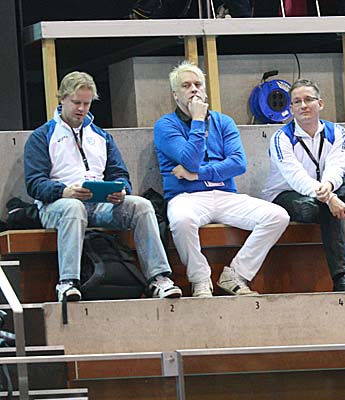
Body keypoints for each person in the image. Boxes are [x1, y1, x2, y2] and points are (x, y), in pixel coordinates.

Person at [24, 71, 182, 302]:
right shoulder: (42, 136)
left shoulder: (101, 136)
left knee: (141, 206)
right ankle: (68, 282)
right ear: (62, 99)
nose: (81, 109)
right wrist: (64, 191)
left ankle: (159, 279)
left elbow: (119, 173)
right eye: (76, 102)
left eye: (86, 103)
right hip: (58, 205)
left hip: (100, 203)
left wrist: (121, 191)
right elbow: (34, 183)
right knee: (73, 208)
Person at [154, 61, 289, 297]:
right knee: (181, 221)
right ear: (175, 95)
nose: (194, 89)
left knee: (277, 216)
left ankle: (236, 274)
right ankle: (200, 279)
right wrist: (197, 121)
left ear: (205, 90)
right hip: (187, 196)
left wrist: (198, 174)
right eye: (186, 86)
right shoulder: (165, 125)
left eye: (198, 85)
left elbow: (238, 164)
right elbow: (190, 159)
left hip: (225, 195)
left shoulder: (223, 121)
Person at [263, 79, 345, 292]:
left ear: (320, 103)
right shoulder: (281, 138)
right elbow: (296, 178)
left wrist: (329, 188)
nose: (303, 105)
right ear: (291, 108)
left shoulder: (336, 131)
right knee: (312, 208)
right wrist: (330, 198)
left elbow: (337, 166)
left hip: (324, 190)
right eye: (297, 102)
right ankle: (343, 277)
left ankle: (333, 204)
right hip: (287, 194)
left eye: (308, 100)